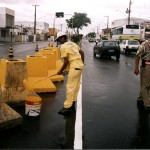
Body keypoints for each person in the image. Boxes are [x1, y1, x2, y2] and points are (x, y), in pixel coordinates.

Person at [55, 32, 84, 115]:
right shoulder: (73, 44)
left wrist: (60, 71)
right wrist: (81, 64)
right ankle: (72, 105)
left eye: (59, 39)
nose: (59, 41)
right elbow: (82, 53)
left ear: (63, 38)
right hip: (79, 66)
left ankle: (67, 107)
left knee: (70, 87)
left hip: (74, 67)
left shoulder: (63, 47)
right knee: (76, 86)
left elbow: (66, 61)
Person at [134, 38, 150, 111]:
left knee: (144, 84)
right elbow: (137, 56)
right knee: (146, 85)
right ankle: (147, 104)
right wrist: (136, 68)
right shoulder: (144, 45)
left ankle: (140, 98)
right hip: (146, 67)